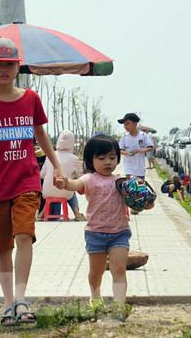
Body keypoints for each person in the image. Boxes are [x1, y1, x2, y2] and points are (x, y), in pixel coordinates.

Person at [0, 37, 62, 327]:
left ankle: (21, 299)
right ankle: (8, 303)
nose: (4, 70)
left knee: (24, 235)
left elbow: (41, 135)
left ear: (18, 66)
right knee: (2, 246)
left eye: (9, 64)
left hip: (26, 180)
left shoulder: (31, 99)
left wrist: (56, 164)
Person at [54, 135, 130, 318]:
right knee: (96, 272)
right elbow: (74, 184)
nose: (107, 162)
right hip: (95, 233)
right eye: (101, 158)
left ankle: (119, 306)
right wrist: (65, 183)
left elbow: (140, 201)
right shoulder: (89, 179)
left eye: (112, 157)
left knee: (118, 269)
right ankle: (95, 296)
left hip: (120, 232)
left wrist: (147, 202)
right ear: (91, 160)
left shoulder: (122, 181)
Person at [39, 130, 85, 221]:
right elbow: (81, 177)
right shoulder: (74, 158)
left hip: (47, 191)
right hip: (65, 191)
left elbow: (42, 175)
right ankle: (77, 214)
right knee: (71, 188)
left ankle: (41, 215)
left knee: (52, 193)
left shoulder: (50, 156)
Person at [117, 113, 153, 214]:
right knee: (130, 185)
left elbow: (151, 147)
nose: (126, 126)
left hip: (140, 165)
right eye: (124, 124)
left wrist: (140, 151)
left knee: (140, 186)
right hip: (129, 165)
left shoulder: (143, 136)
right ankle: (131, 206)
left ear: (135, 123)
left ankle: (138, 206)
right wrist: (127, 153)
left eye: (128, 124)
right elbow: (120, 150)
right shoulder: (124, 137)